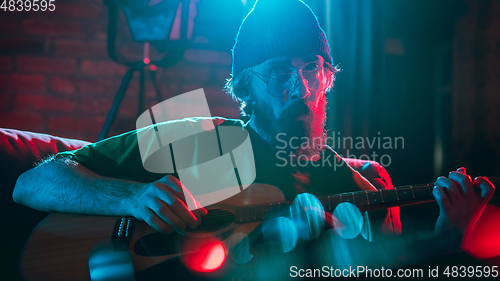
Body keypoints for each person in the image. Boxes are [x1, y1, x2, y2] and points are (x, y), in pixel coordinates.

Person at [13, 0, 494, 260]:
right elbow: (31, 183)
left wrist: (448, 236)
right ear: (245, 87)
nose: (300, 87)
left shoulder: (360, 189)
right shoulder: (200, 139)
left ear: (328, 78)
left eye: (312, 69)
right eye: (279, 72)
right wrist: (128, 199)